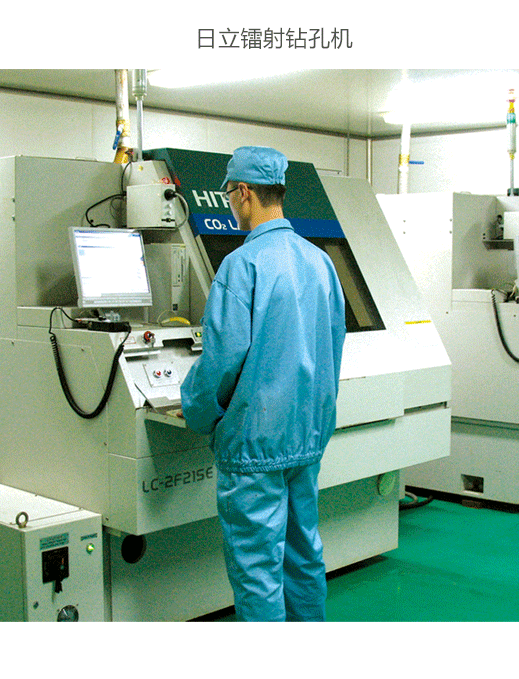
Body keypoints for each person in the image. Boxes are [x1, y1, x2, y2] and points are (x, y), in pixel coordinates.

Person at [180, 146, 346, 620]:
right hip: (305, 437)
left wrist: (197, 411)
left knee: (257, 571)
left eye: (230, 195)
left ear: (244, 192)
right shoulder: (320, 262)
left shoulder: (241, 265)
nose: (231, 204)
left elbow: (221, 361)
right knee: (303, 555)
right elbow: (333, 347)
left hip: (254, 446)